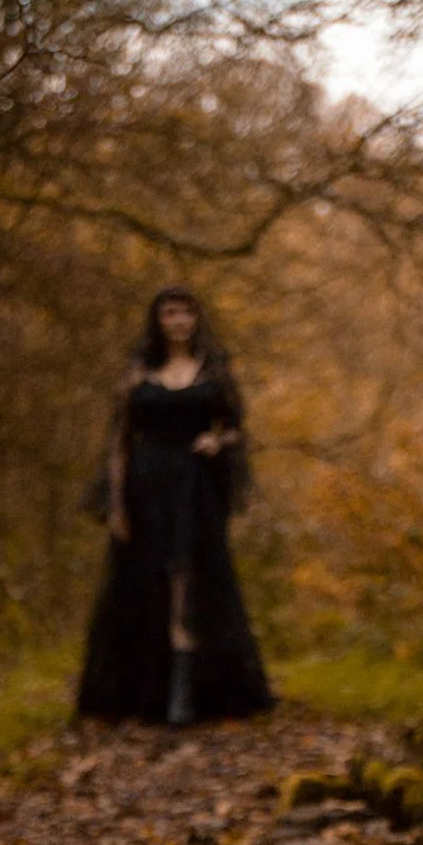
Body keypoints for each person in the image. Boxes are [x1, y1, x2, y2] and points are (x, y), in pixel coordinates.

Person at [77, 286, 273, 727]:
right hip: (146, 487)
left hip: (194, 488)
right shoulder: (137, 371)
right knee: (146, 583)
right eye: (170, 312)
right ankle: (143, 693)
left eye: (187, 312)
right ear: (158, 319)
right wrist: (116, 504)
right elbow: (119, 441)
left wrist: (216, 440)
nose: (179, 320)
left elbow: (237, 428)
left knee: (189, 582)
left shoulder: (214, 370)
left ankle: (184, 696)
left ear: (197, 318)